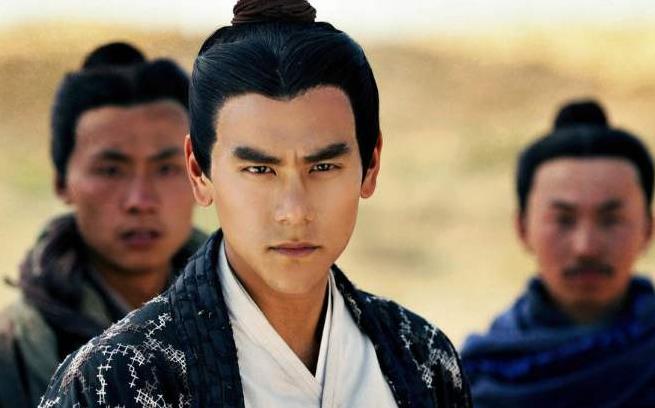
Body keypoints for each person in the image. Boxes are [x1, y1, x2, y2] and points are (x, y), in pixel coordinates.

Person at [38, 1, 472, 407]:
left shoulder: (421, 357)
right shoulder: (115, 379)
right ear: (199, 171)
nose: (294, 211)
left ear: (371, 165)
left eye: (323, 167)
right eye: (260, 170)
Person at [0, 42, 205, 406]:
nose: (140, 200)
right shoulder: (13, 353)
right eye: (110, 170)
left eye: (166, 168)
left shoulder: (252, 325)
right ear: (62, 182)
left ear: (199, 176)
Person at [461, 99, 655, 407]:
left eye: (611, 219)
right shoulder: (474, 380)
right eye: (563, 220)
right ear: (522, 228)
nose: (586, 247)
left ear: (648, 229)